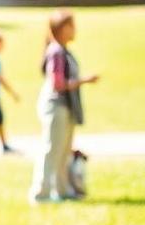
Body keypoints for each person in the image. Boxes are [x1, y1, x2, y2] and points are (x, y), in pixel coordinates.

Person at [31, 10, 98, 203]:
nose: (74, 30)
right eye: (71, 26)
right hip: (56, 106)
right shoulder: (56, 51)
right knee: (52, 150)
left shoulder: (63, 50)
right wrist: (84, 80)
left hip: (65, 107)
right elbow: (58, 83)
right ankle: (40, 193)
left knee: (63, 151)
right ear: (61, 29)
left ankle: (61, 191)